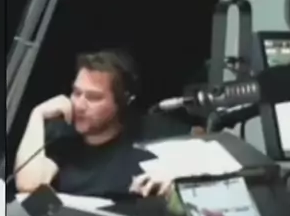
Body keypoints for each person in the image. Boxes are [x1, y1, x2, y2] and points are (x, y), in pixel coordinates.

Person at [14, 49, 190, 197]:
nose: (79, 105)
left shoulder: (154, 131)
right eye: (76, 93)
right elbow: (29, 185)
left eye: (93, 97)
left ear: (122, 101)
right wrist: (37, 115)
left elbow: (202, 151)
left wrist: (174, 178)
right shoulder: (61, 134)